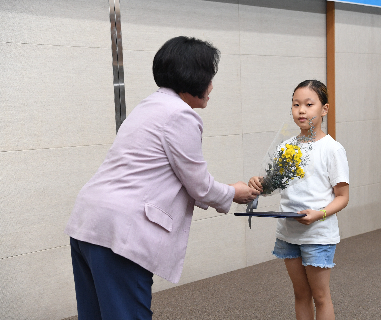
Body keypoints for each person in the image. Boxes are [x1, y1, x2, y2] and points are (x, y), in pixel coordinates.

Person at [65, 36, 260, 320]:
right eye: (209, 77)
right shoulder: (180, 115)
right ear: (193, 77)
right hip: (122, 233)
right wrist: (234, 193)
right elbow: (200, 185)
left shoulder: (150, 105)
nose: (211, 86)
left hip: (89, 223)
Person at [249, 80, 349, 320]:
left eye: (308, 104)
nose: (301, 110)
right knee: (300, 293)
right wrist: (259, 183)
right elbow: (272, 185)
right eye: (296, 104)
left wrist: (319, 214)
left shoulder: (332, 149)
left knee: (320, 296)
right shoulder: (286, 147)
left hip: (318, 234)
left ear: (324, 109)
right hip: (288, 232)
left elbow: (343, 197)